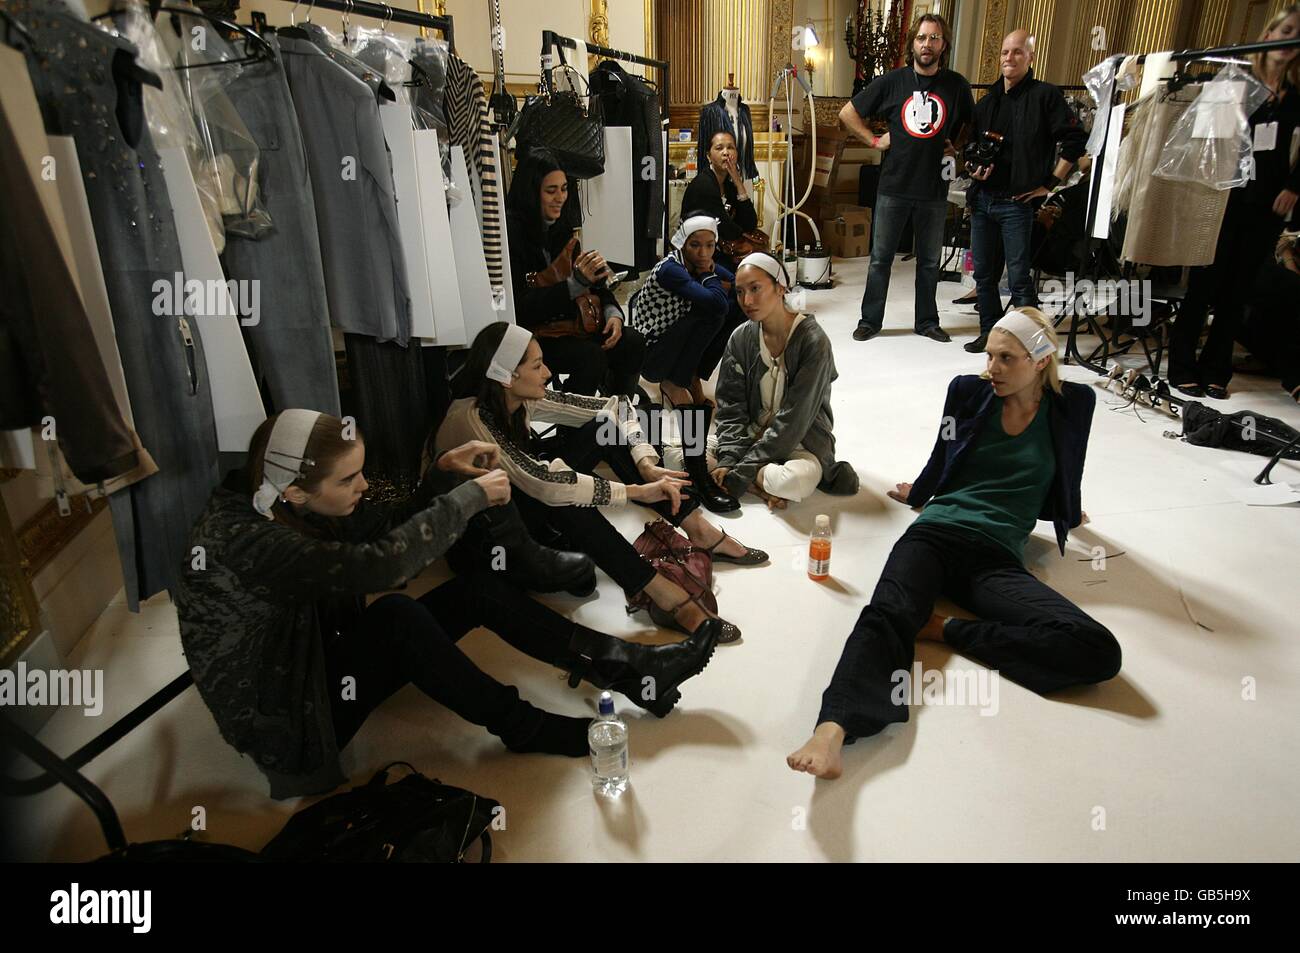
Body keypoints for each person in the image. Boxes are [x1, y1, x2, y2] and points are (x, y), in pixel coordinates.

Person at [177, 411, 719, 800]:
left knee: (477, 587)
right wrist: (470, 498)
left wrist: (440, 475)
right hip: (292, 729)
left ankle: (631, 668)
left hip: (314, 661)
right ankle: (529, 729)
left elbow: (377, 525)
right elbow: (383, 565)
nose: (364, 486)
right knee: (397, 616)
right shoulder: (246, 540)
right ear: (293, 492)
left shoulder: (273, 498)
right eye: (349, 478)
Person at [788, 308, 1120, 779]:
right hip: (937, 533)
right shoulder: (968, 393)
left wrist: (1067, 509)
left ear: (1041, 359)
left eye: (1007, 358)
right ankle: (833, 728)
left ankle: (941, 629)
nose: (992, 369)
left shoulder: (1073, 404)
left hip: (997, 557)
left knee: (1098, 650)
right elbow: (942, 454)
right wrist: (919, 493)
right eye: (990, 355)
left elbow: (1071, 462)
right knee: (886, 613)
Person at [438, 323, 770, 645]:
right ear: (506, 376)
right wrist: (635, 492)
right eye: (538, 365)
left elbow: (616, 405)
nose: (548, 372)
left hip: (520, 509)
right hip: (485, 546)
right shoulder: (472, 418)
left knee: (604, 428)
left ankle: (698, 529)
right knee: (566, 498)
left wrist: (646, 462)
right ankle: (667, 597)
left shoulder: (520, 398)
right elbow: (543, 482)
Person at [1168, 5, 1300, 400]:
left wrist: (1295, 185)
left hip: (1267, 204)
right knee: (1204, 284)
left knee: (1237, 291)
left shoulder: (1296, 94)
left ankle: (1216, 368)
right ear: (1269, 34)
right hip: (1222, 198)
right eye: (1287, 31)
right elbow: (1205, 142)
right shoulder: (1235, 79)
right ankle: (1182, 364)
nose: (1290, 42)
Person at [839, 13, 974, 343]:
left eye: (935, 38)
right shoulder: (893, 82)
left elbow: (972, 122)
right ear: (913, 42)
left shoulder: (956, 85)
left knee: (929, 262)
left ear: (944, 45)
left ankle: (927, 321)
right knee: (880, 260)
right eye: (922, 38)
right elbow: (847, 112)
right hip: (894, 186)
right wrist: (873, 140)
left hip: (934, 187)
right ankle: (870, 320)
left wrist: (955, 145)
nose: (927, 44)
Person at [695, 253, 859, 508]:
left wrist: (740, 473)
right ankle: (760, 483)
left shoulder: (813, 341)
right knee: (679, 453)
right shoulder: (741, 337)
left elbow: (795, 419)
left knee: (794, 481)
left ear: (781, 287)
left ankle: (756, 478)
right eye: (739, 292)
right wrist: (730, 457)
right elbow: (730, 407)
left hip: (799, 441)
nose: (747, 301)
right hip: (748, 437)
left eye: (755, 288)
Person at [964, 30, 1087, 353]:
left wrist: (1050, 183)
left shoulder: (1045, 96)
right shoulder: (988, 101)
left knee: (1019, 279)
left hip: (1017, 203)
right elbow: (972, 147)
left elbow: (1075, 140)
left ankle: (1033, 344)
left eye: (1017, 52)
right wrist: (973, 168)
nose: (1009, 58)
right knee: (984, 276)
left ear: (1030, 57)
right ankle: (991, 336)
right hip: (983, 200)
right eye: (1005, 52)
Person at [505, 148, 645, 398]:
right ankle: (574, 432)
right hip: (538, 331)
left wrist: (613, 314)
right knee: (590, 358)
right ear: (531, 191)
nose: (560, 197)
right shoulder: (511, 234)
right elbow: (521, 307)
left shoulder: (561, 228)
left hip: (574, 326)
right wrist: (575, 285)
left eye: (564, 189)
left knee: (631, 341)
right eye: (551, 190)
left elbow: (596, 285)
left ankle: (620, 415)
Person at [630, 212, 740, 512]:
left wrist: (716, 274)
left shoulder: (695, 262)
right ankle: (699, 476)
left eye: (709, 245)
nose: (703, 253)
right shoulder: (671, 269)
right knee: (715, 310)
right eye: (695, 246)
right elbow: (717, 301)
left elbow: (735, 282)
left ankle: (688, 378)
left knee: (734, 307)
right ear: (682, 244)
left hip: (672, 344)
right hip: (651, 353)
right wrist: (709, 275)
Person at [681, 129, 757, 377]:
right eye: (719, 148)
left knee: (751, 292)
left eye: (731, 147)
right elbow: (732, 229)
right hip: (700, 258)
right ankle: (699, 368)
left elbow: (750, 223)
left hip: (721, 253)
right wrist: (739, 233)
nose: (726, 152)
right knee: (735, 301)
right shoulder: (704, 185)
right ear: (708, 155)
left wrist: (738, 182)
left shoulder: (729, 183)